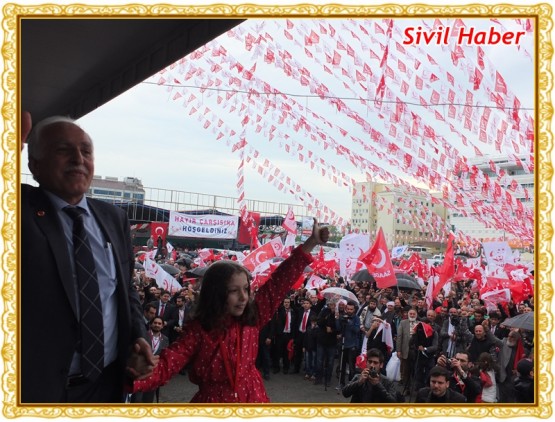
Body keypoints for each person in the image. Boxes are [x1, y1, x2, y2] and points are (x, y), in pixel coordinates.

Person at [21, 115, 155, 402]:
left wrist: (138, 336)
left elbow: (125, 290)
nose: (78, 159)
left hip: (105, 386)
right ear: (34, 165)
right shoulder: (19, 210)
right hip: (37, 391)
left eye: (86, 151)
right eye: (63, 150)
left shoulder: (114, 217)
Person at [133, 220, 329, 402]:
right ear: (216, 294)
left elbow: (279, 282)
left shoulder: (253, 317)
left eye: (246, 289)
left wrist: (311, 243)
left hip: (253, 400)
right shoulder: (199, 331)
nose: (244, 297)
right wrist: (133, 375)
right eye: (234, 291)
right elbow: (168, 363)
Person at [130, 317, 169, 403]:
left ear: (162, 326)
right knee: (137, 398)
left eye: (159, 324)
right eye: (155, 323)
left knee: (148, 398)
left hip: (154, 372)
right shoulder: (143, 336)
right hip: (141, 370)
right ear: (151, 324)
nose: (157, 325)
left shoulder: (165, 339)